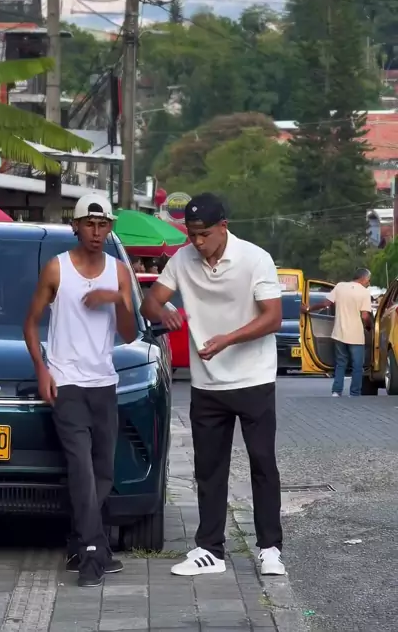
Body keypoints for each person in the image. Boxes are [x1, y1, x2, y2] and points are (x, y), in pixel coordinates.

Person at [141, 192, 285, 577]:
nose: (197, 242)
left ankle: (270, 548)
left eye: (204, 233)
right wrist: (164, 311)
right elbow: (149, 303)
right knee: (208, 469)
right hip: (207, 385)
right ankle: (210, 550)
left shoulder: (255, 259)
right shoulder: (182, 260)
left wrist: (227, 339)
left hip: (253, 378)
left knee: (262, 463)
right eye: (191, 234)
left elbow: (273, 317)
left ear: (223, 226)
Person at [23, 193, 136, 588]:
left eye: (103, 225)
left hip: (103, 383)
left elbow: (129, 333)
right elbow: (30, 322)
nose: (96, 231)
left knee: (103, 472)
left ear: (110, 228)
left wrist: (116, 298)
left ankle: (80, 543)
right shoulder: (58, 268)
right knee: (82, 470)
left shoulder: (118, 272)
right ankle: (91, 555)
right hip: (66, 382)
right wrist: (42, 369)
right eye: (89, 224)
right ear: (76, 226)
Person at [303, 267, 373, 397]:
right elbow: (365, 316)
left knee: (341, 363)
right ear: (363, 279)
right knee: (357, 366)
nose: (368, 283)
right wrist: (370, 327)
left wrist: (308, 308)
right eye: (368, 280)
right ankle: (354, 393)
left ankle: (336, 391)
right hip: (356, 336)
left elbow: (325, 303)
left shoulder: (340, 286)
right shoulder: (364, 293)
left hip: (339, 333)